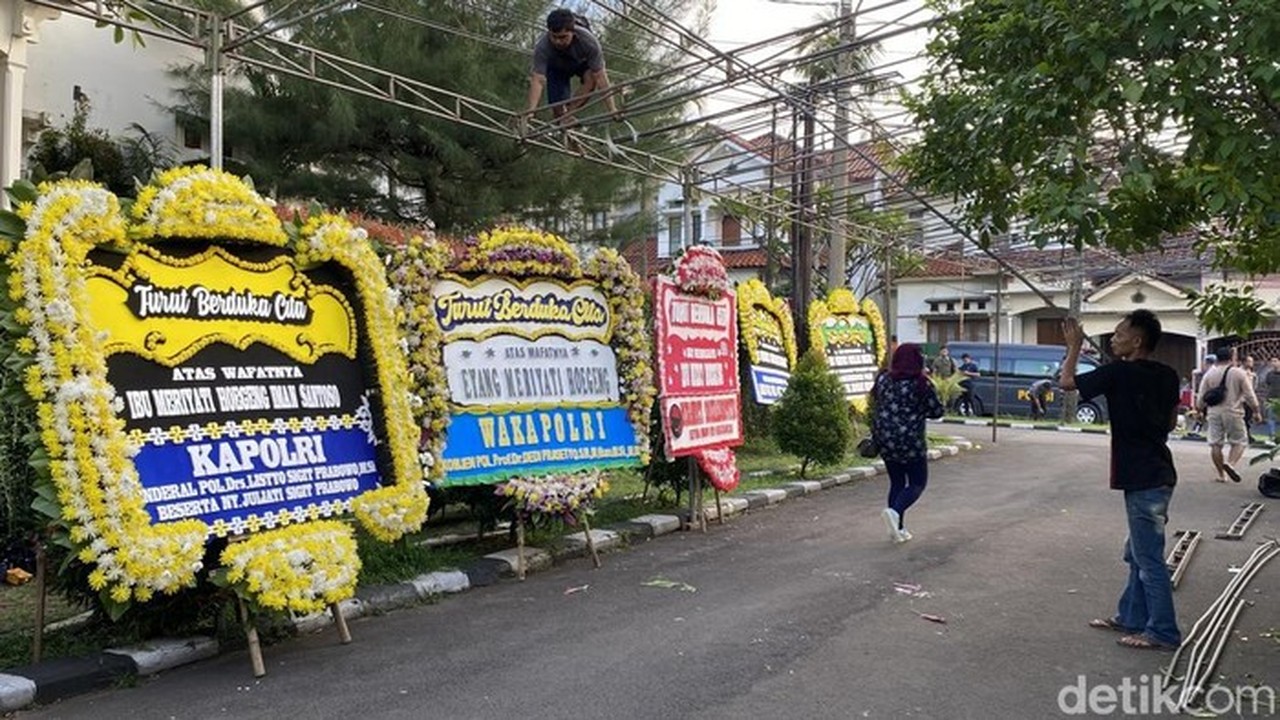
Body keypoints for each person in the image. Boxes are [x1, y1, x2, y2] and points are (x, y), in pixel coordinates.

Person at [1059, 310, 1181, 652]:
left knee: (1149, 558)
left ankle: (1163, 632)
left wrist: (1074, 347)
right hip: (1160, 472)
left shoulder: (1117, 373)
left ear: (1136, 340)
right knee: (1137, 553)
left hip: (1141, 478)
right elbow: (1171, 424)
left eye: (1118, 334)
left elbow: (1066, 383)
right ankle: (1131, 616)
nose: (1113, 340)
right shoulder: (1168, 375)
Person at [871, 343, 946, 543]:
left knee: (896, 482)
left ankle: (899, 530)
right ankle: (894, 513)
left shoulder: (883, 379)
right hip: (911, 442)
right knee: (917, 483)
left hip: (886, 440)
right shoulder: (921, 383)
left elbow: (875, 402)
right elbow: (936, 412)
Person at [522, 8, 618, 129]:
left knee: (592, 78)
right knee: (557, 110)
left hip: (580, 63)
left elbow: (601, 77)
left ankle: (568, 114)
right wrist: (531, 111)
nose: (557, 41)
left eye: (563, 37)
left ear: (573, 32)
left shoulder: (588, 41)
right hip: (557, 67)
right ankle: (562, 120)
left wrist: (612, 109)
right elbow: (538, 80)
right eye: (554, 37)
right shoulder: (543, 46)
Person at [1196, 347, 1259, 482]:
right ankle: (1230, 464)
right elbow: (1250, 395)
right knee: (1240, 441)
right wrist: (1256, 411)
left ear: (1217, 358)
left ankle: (1221, 475)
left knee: (1215, 444)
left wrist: (1199, 410)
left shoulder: (1210, 374)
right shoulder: (1239, 373)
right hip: (1233, 411)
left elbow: (1201, 396)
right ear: (1232, 358)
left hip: (1213, 412)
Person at [1265, 357, 1280, 442]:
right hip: (1271, 399)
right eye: (1272, 361)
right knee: (1271, 418)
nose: (1273, 363)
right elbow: (1268, 384)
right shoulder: (1269, 374)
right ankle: (1272, 436)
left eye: (1275, 361)